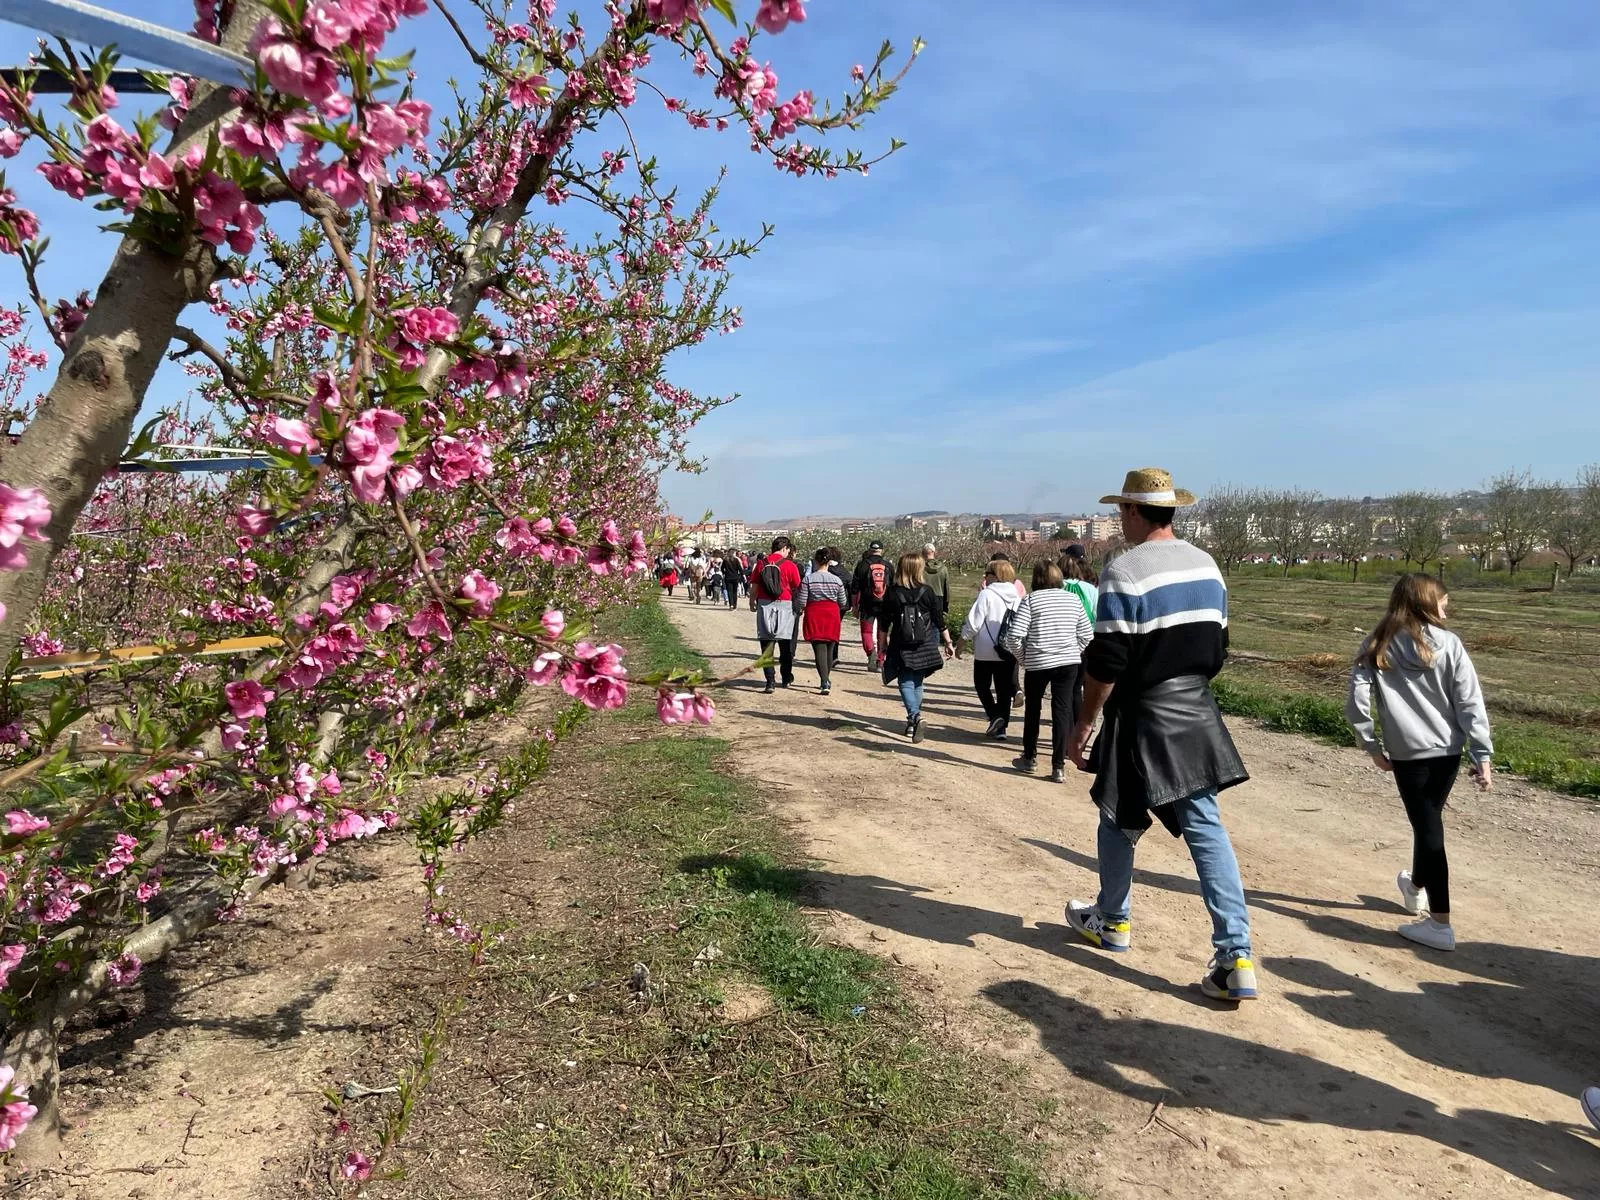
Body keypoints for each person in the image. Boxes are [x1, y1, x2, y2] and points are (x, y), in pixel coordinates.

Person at [1065, 467, 1256, 1004]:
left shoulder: (1125, 570)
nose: (1118, 519)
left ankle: (1124, 923)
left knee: (1127, 817)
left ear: (1132, 512)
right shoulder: (1208, 565)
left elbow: (1107, 660)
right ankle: (1228, 951)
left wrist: (1084, 723)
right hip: (1194, 705)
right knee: (1189, 823)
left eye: (1120, 510)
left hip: (1143, 709)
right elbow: (1219, 646)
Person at [1345, 573, 1493, 953]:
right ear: (1427, 603)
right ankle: (1414, 889)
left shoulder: (1377, 645)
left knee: (1428, 827)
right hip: (1447, 753)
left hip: (1408, 755)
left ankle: (1440, 925)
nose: (1447, 608)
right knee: (1428, 823)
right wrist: (1481, 752)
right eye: (1443, 602)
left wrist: (1371, 745)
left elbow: (1357, 703)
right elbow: (1470, 703)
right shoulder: (1451, 644)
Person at [1003, 561, 1093, 782]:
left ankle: (1030, 757)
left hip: (1038, 662)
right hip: (1068, 663)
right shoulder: (1073, 600)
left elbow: (1013, 636)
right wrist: (1073, 651)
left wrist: (1024, 658)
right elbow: (1087, 634)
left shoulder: (1032, 600)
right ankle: (1058, 766)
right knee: (1061, 711)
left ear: (1036, 579)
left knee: (1033, 709)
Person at [879, 551, 953, 741]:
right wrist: (948, 642)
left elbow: (884, 623)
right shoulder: (927, 591)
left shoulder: (893, 592)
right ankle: (913, 722)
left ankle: (914, 716)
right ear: (919, 568)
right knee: (918, 682)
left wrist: (882, 645)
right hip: (925, 642)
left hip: (901, 642)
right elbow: (938, 619)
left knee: (904, 681)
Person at [959, 559, 1024, 739]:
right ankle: (1002, 729)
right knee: (1003, 691)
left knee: (982, 686)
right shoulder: (1017, 597)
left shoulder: (986, 595)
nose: (984, 577)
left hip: (986, 650)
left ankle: (994, 716)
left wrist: (961, 641)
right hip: (1008, 649)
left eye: (987, 573)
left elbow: (974, 622)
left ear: (996, 576)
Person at [750, 536, 803, 692]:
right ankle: (786, 677)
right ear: (785, 548)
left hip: (765, 604)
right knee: (785, 644)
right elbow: (796, 585)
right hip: (785, 605)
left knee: (766, 644)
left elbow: (754, 586)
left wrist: (752, 601)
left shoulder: (761, 563)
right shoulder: (789, 564)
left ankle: (770, 682)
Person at [797, 548, 848, 695]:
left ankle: (824, 680)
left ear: (816, 561)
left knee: (819, 647)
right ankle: (826, 678)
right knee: (830, 646)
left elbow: (802, 601)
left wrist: (802, 608)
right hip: (832, 613)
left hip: (814, 613)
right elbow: (843, 601)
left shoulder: (808, 579)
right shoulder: (837, 580)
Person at [851, 540, 894, 667]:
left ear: (870, 550)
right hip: (885, 604)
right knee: (882, 631)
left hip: (867, 603)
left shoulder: (862, 565)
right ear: (882, 551)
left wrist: (854, 606)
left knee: (866, 631)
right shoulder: (889, 566)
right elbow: (894, 586)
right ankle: (881, 659)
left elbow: (855, 588)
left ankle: (871, 654)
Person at [923, 542, 952, 615]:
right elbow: (946, 588)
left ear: (923, 553)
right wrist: (945, 606)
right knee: (937, 623)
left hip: (924, 598)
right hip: (939, 598)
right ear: (934, 552)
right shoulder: (943, 568)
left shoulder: (920, 568)